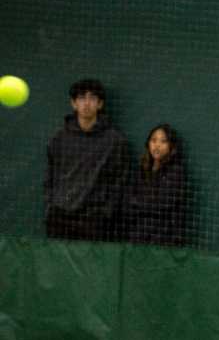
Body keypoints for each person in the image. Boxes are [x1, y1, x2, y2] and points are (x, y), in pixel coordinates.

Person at [44, 79, 130, 241]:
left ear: (100, 104)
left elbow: (121, 180)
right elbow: (50, 175)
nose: (87, 103)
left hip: (95, 221)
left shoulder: (115, 141)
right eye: (82, 98)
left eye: (92, 98)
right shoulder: (59, 138)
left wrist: (106, 211)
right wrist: (51, 206)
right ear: (74, 103)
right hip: (60, 218)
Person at [127, 123, 189, 247]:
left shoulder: (176, 171)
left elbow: (163, 203)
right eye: (153, 140)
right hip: (139, 235)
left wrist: (140, 203)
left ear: (171, 146)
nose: (157, 145)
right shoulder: (142, 170)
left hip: (164, 238)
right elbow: (130, 198)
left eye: (163, 141)